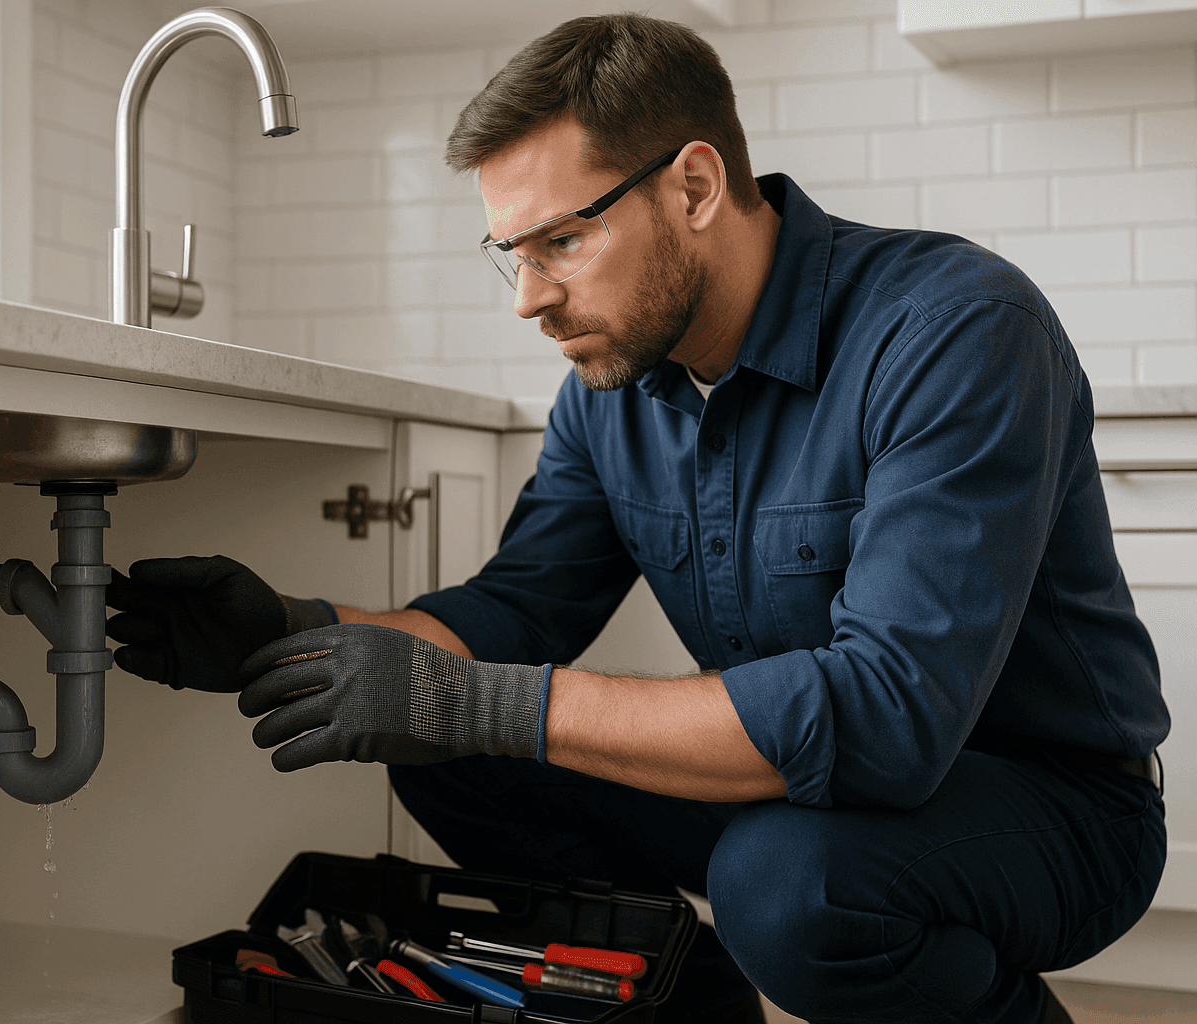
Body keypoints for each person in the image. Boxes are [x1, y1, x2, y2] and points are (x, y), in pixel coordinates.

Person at [105, 14, 1169, 1024]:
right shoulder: (613, 392)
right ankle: (696, 1011)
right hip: (799, 785)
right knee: (449, 750)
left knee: (782, 882)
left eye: (561, 241)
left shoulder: (952, 330)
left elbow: (886, 722)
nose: (527, 297)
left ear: (695, 186)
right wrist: (285, 630)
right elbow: (513, 613)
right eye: (510, 252)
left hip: (1052, 810)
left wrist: (476, 700)